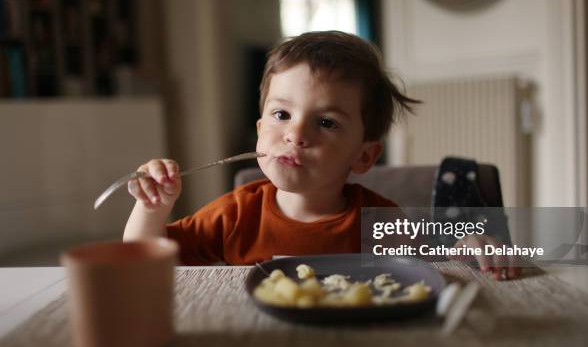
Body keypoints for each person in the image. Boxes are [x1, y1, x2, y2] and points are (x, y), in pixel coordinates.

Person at [123, 30, 518, 280]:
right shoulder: (235, 216)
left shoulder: (380, 222)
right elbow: (142, 260)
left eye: (326, 123)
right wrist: (154, 207)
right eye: (281, 115)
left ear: (364, 157)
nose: (295, 135)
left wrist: (471, 243)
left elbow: (439, 258)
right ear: (261, 131)